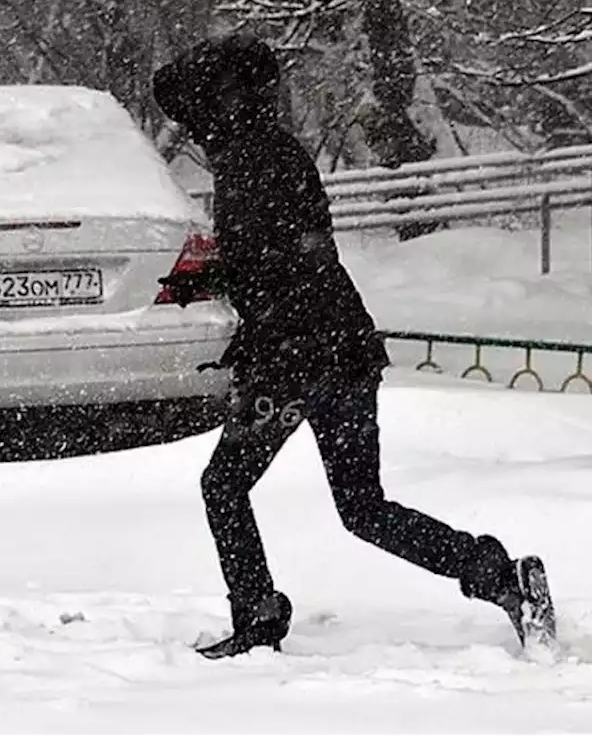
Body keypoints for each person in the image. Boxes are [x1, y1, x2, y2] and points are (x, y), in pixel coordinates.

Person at [152, 33, 552, 659]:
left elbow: (275, 262)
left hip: (294, 359)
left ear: (222, 103)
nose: (195, 128)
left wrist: (205, 277)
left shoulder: (249, 160)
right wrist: (217, 274)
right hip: (341, 349)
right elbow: (293, 254)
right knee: (364, 507)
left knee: (224, 487)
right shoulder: (273, 150)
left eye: (199, 110)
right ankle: (498, 576)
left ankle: (257, 616)